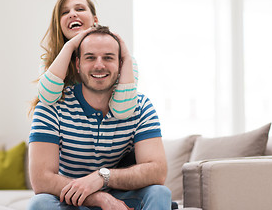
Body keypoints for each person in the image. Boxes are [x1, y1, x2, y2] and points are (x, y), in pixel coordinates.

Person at [28, 26, 171, 210]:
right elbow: (41, 179)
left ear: (120, 64)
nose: (99, 65)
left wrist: (102, 177)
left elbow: (157, 171)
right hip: (72, 198)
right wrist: (98, 197)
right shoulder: (52, 107)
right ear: (78, 64)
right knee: (40, 203)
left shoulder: (140, 106)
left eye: (108, 57)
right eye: (90, 57)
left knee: (160, 193)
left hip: (121, 198)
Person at [32, 0, 138, 119]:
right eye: (65, 12)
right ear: (59, 25)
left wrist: (126, 58)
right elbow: (46, 98)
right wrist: (70, 46)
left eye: (80, 9)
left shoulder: (123, 61)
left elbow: (123, 111)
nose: (72, 14)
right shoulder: (50, 61)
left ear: (95, 20)